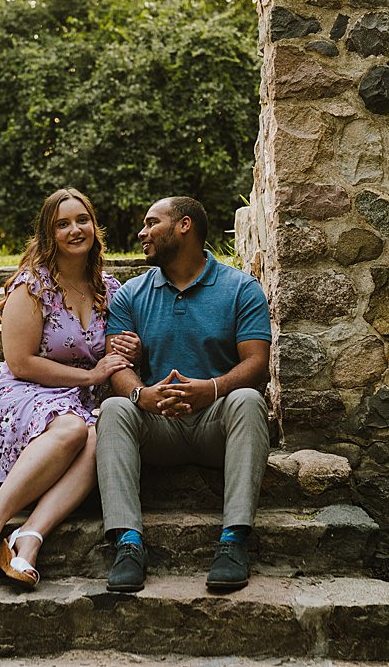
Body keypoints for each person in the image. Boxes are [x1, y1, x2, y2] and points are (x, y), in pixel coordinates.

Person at [0, 191, 135, 592]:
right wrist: (91, 377)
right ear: (48, 234)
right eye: (63, 223)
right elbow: (20, 362)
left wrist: (129, 348)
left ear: (94, 226)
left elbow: (117, 348)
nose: (75, 230)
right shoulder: (33, 286)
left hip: (79, 402)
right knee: (72, 429)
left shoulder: (110, 289)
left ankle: (29, 536)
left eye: (82, 220)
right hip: (23, 393)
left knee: (98, 435)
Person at [95, 197, 273, 597]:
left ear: (184, 226)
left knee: (248, 400)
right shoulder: (130, 295)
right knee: (113, 408)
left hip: (216, 424)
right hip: (158, 425)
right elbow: (116, 365)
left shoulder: (241, 288)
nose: (141, 233)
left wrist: (208, 390)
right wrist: (143, 395)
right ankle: (127, 543)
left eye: (150, 223)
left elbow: (257, 364)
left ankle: (234, 540)